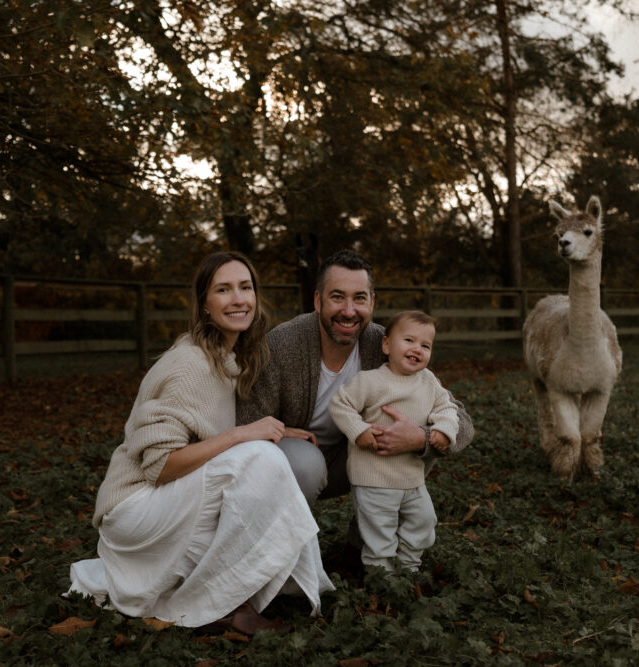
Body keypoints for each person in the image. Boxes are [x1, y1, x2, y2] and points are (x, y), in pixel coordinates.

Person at [68, 252, 333, 634]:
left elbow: (209, 434)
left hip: (168, 500)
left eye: (245, 287)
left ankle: (244, 588)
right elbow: (160, 468)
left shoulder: (226, 359)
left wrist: (273, 429)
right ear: (205, 305)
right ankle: (232, 604)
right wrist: (244, 435)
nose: (238, 299)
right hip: (134, 509)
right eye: (223, 290)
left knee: (260, 457)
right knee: (258, 457)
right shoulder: (189, 364)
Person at [236, 249, 474, 507]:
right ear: (317, 301)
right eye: (337, 297)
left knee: (426, 436)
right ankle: (287, 540)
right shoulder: (282, 344)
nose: (349, 312)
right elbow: (245, 419)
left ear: (372, 302)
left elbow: (460, 419)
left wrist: (420, 438)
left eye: (359, 298)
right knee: (306, 464)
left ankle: (366, 540)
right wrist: (279, 431)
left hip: (358, 456)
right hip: (293, 458)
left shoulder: (387, 346)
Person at [328, 310, 459, 572]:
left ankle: (409, 566)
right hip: (373, 476)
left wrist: (443, 431)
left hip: (411, 476)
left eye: (425, 345)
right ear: (387, 345)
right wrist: (359, 430)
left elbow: (447, 408)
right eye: (409, 341)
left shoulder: (429, 381)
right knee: (380, 531)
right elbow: (340, 404)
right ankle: (381, 578)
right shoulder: (371, 381)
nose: (417, 349)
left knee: (424, 521)